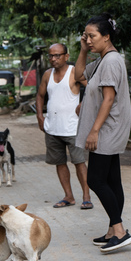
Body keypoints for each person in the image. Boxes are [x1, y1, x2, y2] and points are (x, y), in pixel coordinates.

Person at [74, 13, 131, 253]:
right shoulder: (103, 59)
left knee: (95, 180)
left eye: (92, 36)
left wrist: (94, 131)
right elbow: (78, 76)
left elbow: (109, 98)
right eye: (85, 35)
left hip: (107, 129)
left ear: (106, 37)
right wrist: (83, 51)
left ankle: (120, 230)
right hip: (109, 128)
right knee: (112, 180)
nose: (88, 39)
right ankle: (113, 229)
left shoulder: (110, 61)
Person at [36, 43, 92, 210]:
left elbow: (92, 89)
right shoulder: (47, 74)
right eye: (51, 56)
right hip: (52, 128)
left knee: (79, 162)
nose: (53, 59)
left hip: (72, 128)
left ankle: (86, 197)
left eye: (57, 55)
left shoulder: (74, 72)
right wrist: (39, 115)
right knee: (59, 162)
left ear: (66, 56)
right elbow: (40, 95)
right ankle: (68, 196)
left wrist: (83, 103)